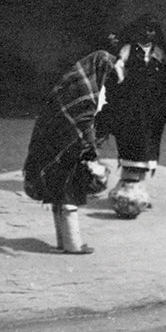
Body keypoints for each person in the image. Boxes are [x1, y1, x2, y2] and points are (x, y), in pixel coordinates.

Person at [22, 49, 117, 253]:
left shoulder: (71, 83)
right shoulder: (86, 90)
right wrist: (89, 150)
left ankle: (61, 242)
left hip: (52, 147)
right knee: (69, 198)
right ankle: (73, 246)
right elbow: (83, 121)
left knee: (58, 197)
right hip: (70, 150)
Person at [99, 15, 166, 218]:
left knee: (148, 147)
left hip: (152, 109)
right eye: (144, 31)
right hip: (131, 107)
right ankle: (128, 189)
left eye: (152, 31)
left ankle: (139, 189)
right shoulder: (126, 50)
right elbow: (116, 70)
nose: (147, 35)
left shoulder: (160, 53)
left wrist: (165, 103)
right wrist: (121, 82)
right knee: (131, 144)